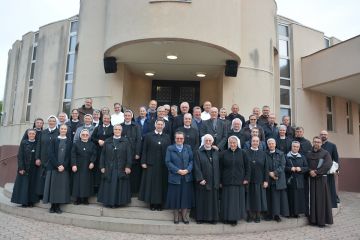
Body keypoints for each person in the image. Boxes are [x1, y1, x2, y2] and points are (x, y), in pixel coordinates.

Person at [139, 119, 171, 211]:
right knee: (152, 184)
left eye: (161, 124)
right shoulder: (149, 136)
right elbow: (144, 149)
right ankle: (152, 203)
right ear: (155, 125)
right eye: (158, 124)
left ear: (164, 126)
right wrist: (143, 162)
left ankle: (160, 204)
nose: (160, 126)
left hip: (163, 165)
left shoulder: (167, 137)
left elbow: (169, 151)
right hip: (151, 164)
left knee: (162, 184)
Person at [98, 124, 132, 207]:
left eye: (119, 129)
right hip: (109, 167)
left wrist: (128, 166)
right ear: (113, 131)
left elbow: (129, 155)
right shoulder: (107, 141)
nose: (117, 131)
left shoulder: (126, 141)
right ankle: (109, 202)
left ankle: (118, 203)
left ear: (121, 131)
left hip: (121, 167)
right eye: (115, 129)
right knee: (109, 185)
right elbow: (103, 155)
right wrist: (102, 166)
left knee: (119, 185)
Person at [165, 132, 194, 224]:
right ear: (175, 139)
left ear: (184, 139)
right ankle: (176, 216)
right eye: (177, 138)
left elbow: (192, 161)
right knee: (175, 197)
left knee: (185, 197)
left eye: (181, 138)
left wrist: (188, 170)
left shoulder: (188, 148)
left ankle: (184, 216)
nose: (179, 140)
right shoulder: (170, 148)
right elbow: (168, 162)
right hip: (175, 177)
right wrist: (178, 170)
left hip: (186, 177)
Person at [220, 136, 250, 226]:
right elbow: (220, 168)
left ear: (237, 143)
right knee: (226, 201)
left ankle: (234, 219)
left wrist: (246, 178)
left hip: (239, 181)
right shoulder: (224, 154)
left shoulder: (243, 153)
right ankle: (225, 217)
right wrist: (220, 181)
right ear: (228, 144)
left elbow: (248, 167)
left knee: (235, 202)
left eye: (234, 143)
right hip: (227, 181)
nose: (232, 144)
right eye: (231, 143)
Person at [43, 124, 71, 214]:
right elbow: (50, 153)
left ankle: (58, 206)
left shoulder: (69, 141)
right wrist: (57, 165)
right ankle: (52, 206)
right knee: (53, 187)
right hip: (54, 167)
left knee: (61, 188)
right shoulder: (54, 140)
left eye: (65, 129)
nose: (63, 130)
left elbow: (69, 156)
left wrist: (64, 165)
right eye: (62, 128)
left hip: (64, 168)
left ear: (67, 130)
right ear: (59, 130)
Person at [307, 136, 333, 227]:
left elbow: (328, 165)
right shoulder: (309, 153)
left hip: (321, 179)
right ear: (312, 142)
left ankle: (321, 221)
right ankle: (313, 220)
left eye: (318, 142)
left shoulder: (325, 153)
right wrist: (310, 171)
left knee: (321, 200)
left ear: (321, 143)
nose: (317, 143)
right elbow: (305, 164)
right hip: (311, 179)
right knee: (312, 199)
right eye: (315, 142)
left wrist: (316, 172)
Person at [194, 134, 220, 224]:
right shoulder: (198, 152)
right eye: (206, 140)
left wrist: (218, 180)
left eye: (210, 140)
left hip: (214, 181)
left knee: (213, 201)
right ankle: (200, 218)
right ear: (203, 141)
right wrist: (200, 179)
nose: (208, 142)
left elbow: (219, 167)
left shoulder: (216, 152)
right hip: (203, 181)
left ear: (212, 142)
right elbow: (196, 166)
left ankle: (213, 219)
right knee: (202, 200)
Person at [11, 129, 40, 207]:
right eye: (30, 133)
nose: (31, 135)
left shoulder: (38, 143)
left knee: (32, 185)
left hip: (34, 168)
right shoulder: (24, 143)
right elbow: (20, 156)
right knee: (24, 185)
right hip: (24, 167)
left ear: (35, 135)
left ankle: (31, 202)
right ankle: (24, 202)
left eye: (33, 134)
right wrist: (21, 168)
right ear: (27, 134)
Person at [244, 136, 269, 223]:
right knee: (249, 198)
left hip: (260, 179)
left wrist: (266, 180)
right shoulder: (246, 152)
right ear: (251, 142)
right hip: (249, 179)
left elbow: (266, 167)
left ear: (259, 143)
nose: (255, 143)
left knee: (258, 198)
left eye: (257, 141)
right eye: (253, 141)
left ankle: (258, 215)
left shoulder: (263, 153)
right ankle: (250, 215)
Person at [265, 138, 289, 222]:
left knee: (277, 199)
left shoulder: (281, 153)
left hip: (278, 179)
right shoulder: (265, 153)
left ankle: (276, 215)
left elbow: (282, 166)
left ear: (275, 144)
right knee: (268, 197)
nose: (271, 145)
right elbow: (263, 166)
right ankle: (269, 214)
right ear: (267, 145)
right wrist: (269, 173)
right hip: (268, 179)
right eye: (269, 144)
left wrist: (274, 173)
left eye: (272, 143)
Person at [35, 115, 59, 198]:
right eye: (50, 121)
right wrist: (37, 158)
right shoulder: (43, 132)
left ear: (56, 122)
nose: (51, 122)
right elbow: (38, 146)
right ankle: (41, 194)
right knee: (41, 177)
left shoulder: (59, 132)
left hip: (54, 159)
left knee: (51, 177)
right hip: (43, 158)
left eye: (53, 121)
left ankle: (50, 194)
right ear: (48, 122)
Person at [71, 129, 96, 205]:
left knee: (87, 182)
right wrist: (74, 164)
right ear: (80, 136)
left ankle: (85, 199)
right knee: (77, 182)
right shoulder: (76, 144)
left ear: (89, 136)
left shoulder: (92, 144)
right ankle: (78, 199)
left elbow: (94, 154)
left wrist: (92, 162)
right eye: (83, 135)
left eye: (86, 135)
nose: (85, 136)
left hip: (88, 166)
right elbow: (73, 155)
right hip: (78, 165)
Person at [285, 141, 308, 218]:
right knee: (290, 197)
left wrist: (300, 168)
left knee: (298, 198)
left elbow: (307, 168)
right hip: (290, 180)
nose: (295, 148)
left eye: (297, 147)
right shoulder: (286, 156)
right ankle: (289, 213)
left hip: (299, 181)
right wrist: (290, 168)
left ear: (299, 148)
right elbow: (283, 167)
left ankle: (296, 213)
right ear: (291, 147)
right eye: (294, 146)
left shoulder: (302, 157)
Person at [121, 110, 142, 195]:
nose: (127, 117)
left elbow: (138, 140)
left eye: (129, 115)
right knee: (123, 170)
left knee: (133, 173)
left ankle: (132, 191)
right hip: (122, 152)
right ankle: (123, 190)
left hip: (133, 152)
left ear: (131, 116)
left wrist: (137, 153)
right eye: (125, 115)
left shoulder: (136, 126)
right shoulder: (120, 126)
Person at [91, 114, 113, 193]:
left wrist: (106, 142)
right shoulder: (98, 128)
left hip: (109, 152)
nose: (106, 120)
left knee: (106, 168)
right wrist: (98, 141)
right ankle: (97, 188)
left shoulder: (113, 128)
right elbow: (92, 138)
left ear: (110, 119)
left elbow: (114, 138)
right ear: (102, 119)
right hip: (98, 151)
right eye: (105, 118)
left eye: (108, 118)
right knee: (98, 169)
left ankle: (105, 188)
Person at [294, 126, 312, 216]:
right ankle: (296, 211)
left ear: (303, 132)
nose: (299, 133)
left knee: (305, 192)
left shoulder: (307, 143)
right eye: (297, 132)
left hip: (304, 172)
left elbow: (311, 157)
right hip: (293, 172)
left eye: (300, 131)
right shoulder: (292, 141)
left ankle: (306, 211)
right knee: (296, 193)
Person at [320, 130, 340, 206]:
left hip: (329, 170)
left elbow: (336, 158)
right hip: (319, 170)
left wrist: (336, 169)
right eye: (322, 134)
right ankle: (322, 202)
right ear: (320, 135)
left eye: (325, 134)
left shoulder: (332, 145)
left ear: (327, 136)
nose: (323, 135)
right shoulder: (317, 145)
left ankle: (331, 202)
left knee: (330, 187)